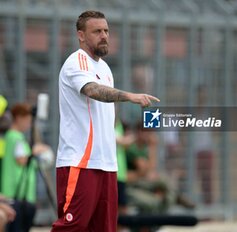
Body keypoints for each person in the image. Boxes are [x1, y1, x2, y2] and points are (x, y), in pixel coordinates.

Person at [51, 10, 159, 232]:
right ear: (81, 35)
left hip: (107, 164)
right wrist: (130, 96)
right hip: (80, 163)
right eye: (97, 31)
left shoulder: (105, 68)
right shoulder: (76, 62)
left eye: (106, 31)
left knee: (105, 228)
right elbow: (93, 90)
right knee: (71, 227)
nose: (104, 36)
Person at [1, 103, 49, 232]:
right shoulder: (14, 136)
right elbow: (21, 159)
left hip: (23, 195)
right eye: (26, 120)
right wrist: (36, 151)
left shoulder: (18, 137)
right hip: (15, 194)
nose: (28, 124)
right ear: (18, 118)